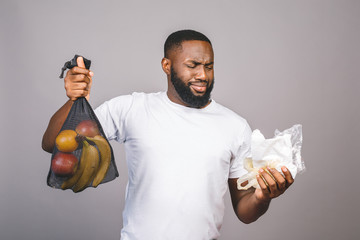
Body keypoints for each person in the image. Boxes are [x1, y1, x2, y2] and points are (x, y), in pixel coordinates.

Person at [42, 30, 294, 240]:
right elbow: (53, 143)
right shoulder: (132, 108)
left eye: (209, 66)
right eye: (192, 65)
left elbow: (244, 210)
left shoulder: (235, 126)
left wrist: (262, 196)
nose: (203, 75)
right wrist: (74, 101)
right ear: (167, 65)